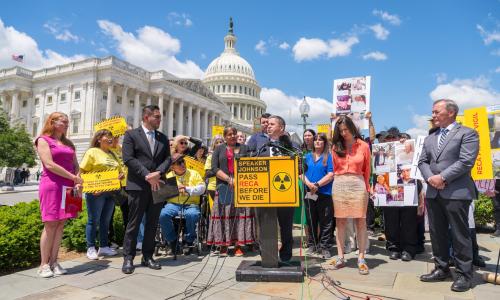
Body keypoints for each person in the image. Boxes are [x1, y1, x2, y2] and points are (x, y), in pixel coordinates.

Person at [418, 99, 479, 292]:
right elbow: (422, 161)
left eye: (436, 112)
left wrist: (442, 177)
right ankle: (441, 268)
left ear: (451, 112)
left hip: (456, 191)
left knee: (460, 235)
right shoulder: (430, 137)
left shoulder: (467, 133)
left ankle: (464, 275)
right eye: (433, 112)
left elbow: (466, 161)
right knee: (437, 233)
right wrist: (431, 179)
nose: (433, 115)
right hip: (434, 192)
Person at [121, 105, 171, 274]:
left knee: (152, 223)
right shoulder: (131, 135)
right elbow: (128, 158)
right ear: (146, 117)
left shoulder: (162, 137)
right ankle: (128, 258)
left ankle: (147, 256)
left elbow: (168, 159)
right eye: (156, 117)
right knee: (133, 223)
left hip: (157, 186)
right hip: (138, 185)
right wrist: (146, 175)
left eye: (159, 117)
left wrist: (159, 172)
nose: (159, 120)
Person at [34, 112, 83, 278]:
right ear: (53, 122)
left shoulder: (68, 143)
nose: (67, 124)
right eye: (64, 121)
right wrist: (72, 177)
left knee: (61, 223)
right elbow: (49, 164)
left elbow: (76, 165)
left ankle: (54, 262)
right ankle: (43, 264)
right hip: (52, 185)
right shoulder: (43, 140)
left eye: (68, 122)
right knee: (50, 223)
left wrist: (78, 180)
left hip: (69, 186)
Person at [329, 115, 371, 275]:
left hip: (358, 183)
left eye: (346, 129)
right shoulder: (335, 147)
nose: (344, 133)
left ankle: (361, 257)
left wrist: (367, 188)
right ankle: (341, 257)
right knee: (340, 222)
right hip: (339, 184)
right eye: (340, 131)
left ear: (352, 128)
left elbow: (367, 170)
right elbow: (334, 168)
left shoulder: (364, 146)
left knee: (360, 221)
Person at [207, 126, 256, 256]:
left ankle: (238, 244)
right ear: (225, 137)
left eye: (234, 133)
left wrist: (238, 180)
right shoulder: (219, 149)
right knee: (224, 215)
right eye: (229, 134)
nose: (232, 136)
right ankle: (223, 245)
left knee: (240, 216)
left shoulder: (245, 148)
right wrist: (229, 180)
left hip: (242, 186)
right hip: (223, 185)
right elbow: (214, 168)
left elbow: (250, 166)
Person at [256, 115, 297, 262]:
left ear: (281, 128)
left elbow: (301, 167)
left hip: (285, 192)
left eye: (272, 124)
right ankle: (266, 255)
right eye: (267, 124)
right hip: (265, 193)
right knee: (264, 224)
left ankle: (286, 256)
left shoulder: (291, 147)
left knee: (285, 225)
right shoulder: (261, 147)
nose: (268, 126)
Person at [79, 129, 123, 260]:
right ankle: (91, 247)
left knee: (106, 221)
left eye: (111, 136)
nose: (110, 138)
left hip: (111, 192)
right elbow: (81, 171)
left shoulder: (113, 154)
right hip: (96, 192)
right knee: (94, 220)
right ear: (99, 139)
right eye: (107, 136)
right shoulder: (92, 152)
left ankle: (104, 247)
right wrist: (90, 187)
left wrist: (120, 176)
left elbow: (119, 171)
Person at [159, 153, 205, 255]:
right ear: (172, 166)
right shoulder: (169, 176)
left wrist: (187, 189)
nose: (182, 164)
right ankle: (173, 241)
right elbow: (163, 192)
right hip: (173, 204)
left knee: (192, 215)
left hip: (191, 204)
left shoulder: (194, 173)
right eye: (179, 163)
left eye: (183, 162)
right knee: (163, 215)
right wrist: (175, 189)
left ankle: (188, 241)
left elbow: (202, 189)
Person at [302, 132, 334, 258]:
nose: (317, 142)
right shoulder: (307, 157)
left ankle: (324, 246)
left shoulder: (329, 157)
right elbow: (300, 173)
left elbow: (331, 174)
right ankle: (312, 244)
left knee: (325, 221)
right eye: (316, 140)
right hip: (309, 192)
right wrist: (310, 184)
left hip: (324, 193)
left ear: (325, 142)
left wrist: (317, 185)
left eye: (321, 140)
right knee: (311, 220)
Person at [384, 165, 424, 262]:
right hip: (392, 179)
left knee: (409, 219)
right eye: (404, 171)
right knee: (392, 218)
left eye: (407, 171)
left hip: (413, 184)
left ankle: (409, 249)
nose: (405, 173)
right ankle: (394, 247)